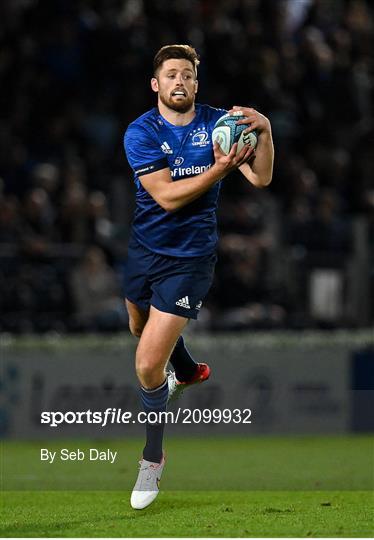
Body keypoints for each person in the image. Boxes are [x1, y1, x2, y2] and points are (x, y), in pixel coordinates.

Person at [123, 44, 274, 510]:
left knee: (148, 364)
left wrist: (265, 131)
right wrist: (218, 169)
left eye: (187, 74)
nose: (179, 82)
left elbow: (261, 179)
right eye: (170, 75)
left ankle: (152, 460)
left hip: (191, 258)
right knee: (137, 327)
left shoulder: (220, 125)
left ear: (196, 82)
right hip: (144, 250)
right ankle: (187, 369)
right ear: (156, 84)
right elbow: (166, 197)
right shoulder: (140, 132)